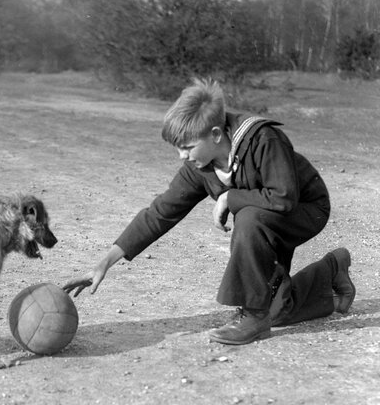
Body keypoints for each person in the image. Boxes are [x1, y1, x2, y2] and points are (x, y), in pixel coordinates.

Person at [63, 78, 356, 345]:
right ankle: (332, 270)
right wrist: (105, 262)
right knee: (279, 310)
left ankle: (253, 315)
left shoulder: (264, 139)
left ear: (215, 134)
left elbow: (283, 199)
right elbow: (161, 212)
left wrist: (230, 197)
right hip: (266, 219)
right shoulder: (199, 167)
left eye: (187, 147)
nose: (182, 156)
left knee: (250, 218)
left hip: (305, 209)